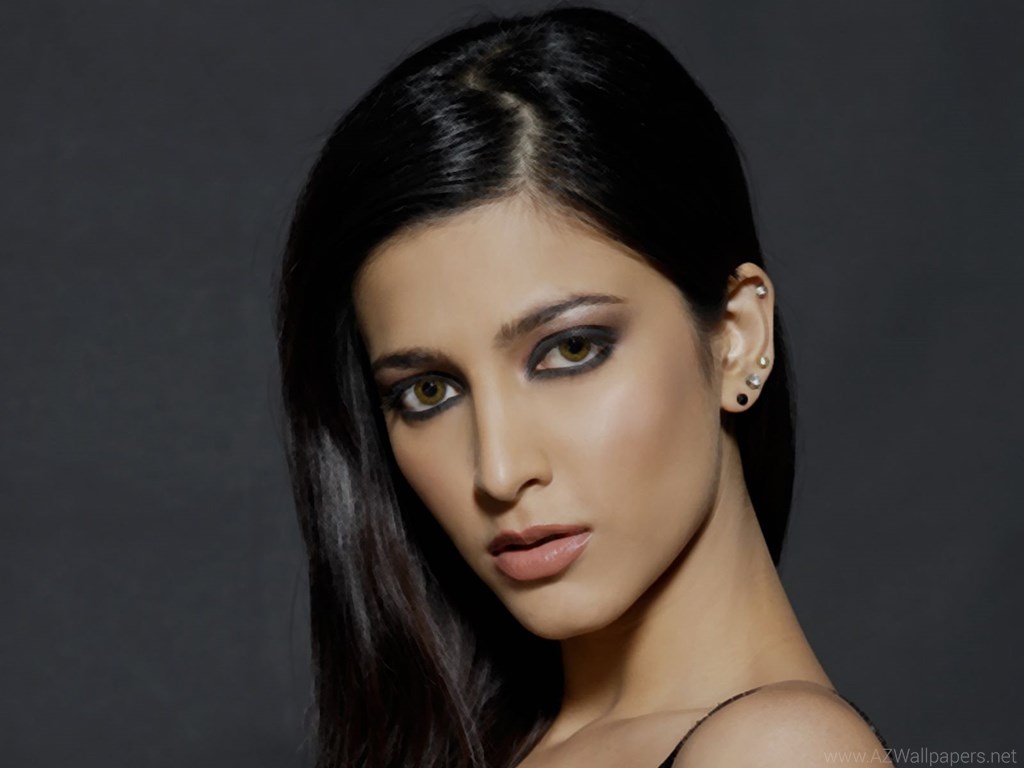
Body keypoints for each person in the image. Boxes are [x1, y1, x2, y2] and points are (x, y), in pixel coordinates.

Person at [275, 5, 893, 767]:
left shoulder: (779, 751)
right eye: (429, 392)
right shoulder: (473, 740)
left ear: (737, 338)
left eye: (570, 350)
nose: (500, 471)